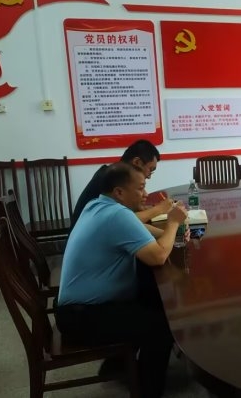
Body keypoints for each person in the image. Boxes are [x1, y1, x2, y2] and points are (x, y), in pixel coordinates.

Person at [56, 162, 188, 398]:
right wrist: (173, 223)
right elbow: (158, 256)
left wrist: (171, 234)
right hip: (82, 317)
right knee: (162, 325)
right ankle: (148, 391)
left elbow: (139, 230)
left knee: (152, 296)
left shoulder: (97, 205)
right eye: (140, 188)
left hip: (74, 309)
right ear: (119, 192)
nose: (145, 194)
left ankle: (116, 366)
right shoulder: (117, 215)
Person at [70, 139, 173, 233]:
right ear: (137, 162)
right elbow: (123, 221)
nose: (149, 176)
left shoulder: (111, 174)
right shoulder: (110, 179)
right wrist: (159, 209)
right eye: (150, 169)